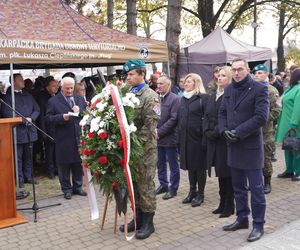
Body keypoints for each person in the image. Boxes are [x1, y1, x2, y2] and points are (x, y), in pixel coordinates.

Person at [219, 58, 269, 242]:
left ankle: (258, 224)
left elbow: (261, 117)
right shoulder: (230, 89)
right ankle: (242, 218)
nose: (237, 73)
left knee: (256, 189)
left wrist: (238, 133)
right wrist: (224, 130)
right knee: (238, 187)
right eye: (234, 70)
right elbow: (222, 112)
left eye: (240, 69)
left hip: (250, 147)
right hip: (233, 145)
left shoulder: (259, 88)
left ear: (247, 69)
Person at [119, 59, 160, 239]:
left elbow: (149, 126)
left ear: (142, 74)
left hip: (144, 150)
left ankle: (148, 223)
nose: (128, 77)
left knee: (145, 185)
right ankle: (138, 218)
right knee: (133, 185)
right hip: (130, 150)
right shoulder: (128, 93)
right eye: (127, 74)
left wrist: (131, 143)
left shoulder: (150, 96)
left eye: (131, 74)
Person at [46, 76, 87, 199]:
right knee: (64, 165)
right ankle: (66, 189)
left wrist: (80, 111)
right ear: (61, 87)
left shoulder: (79, 99)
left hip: (78, 136)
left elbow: (87, 114)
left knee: (78, 164)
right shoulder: (53, 101)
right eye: (67, 88)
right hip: (63, 138)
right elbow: (48, 119)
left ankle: (78, 187)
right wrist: (62, 117)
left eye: (71, 88)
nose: (69, 91)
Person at [203, 66, 234, 218]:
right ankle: (222, 203)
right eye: (217, 75)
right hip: (213, 140)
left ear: (229, 78)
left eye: (223, 75)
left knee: (227, 173)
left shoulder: (230, 95)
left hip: (224, 140)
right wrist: (207, 131)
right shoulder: (213, 95)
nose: (219, 77)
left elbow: (228, 118)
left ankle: (229, 205)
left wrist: (215, 132)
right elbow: (207, 116)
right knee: (220, 174)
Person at [1, 73, 40, 188]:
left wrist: (31, 118)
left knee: (29, 156)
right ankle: (20, 179)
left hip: (30, 131)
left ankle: (28, 176)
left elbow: (37, 109)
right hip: (17, 132)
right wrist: (24, 120)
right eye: (20, 79)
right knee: (17, 158)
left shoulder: (28, 95)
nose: (23, 81)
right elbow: (7, 114)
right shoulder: (7, 98)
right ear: (13, 82)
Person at [178, 73, 208, 207]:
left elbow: (208, 118)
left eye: (189, 82)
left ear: (196, 83)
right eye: (185, 82)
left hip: (198, 138)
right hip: (186, 138)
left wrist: (204, 135)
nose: (186, 84)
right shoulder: (183, 98)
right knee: (190, 166)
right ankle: (192, 191)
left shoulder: (203, 98)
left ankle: (200, 193)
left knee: (200, 167)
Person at [253, 64, 281, 194]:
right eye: (255, 73)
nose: (257, 75)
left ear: (266, 74)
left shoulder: (271, 90)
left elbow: (276, 110)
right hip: (252, 129)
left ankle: (267, 182)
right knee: (252, 158)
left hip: (266, 131)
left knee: (266, 157)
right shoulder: (251, 89)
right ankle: (255, 181)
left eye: (260, 73)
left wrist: (262, 119)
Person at [155, 75, 180, 200]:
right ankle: (163, 184)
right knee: (160, 163)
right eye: (158, 83)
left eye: (161, 84)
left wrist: (159, 132)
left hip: (169, 138)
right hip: (157, 138)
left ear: (168, 85)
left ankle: (173, 188)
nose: (158, 86)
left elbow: (173, 119)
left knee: (173, 164)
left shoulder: (175, 99)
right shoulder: (156, 98)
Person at [275, 68, 300, 181]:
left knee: (296, 149)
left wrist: (294, 124)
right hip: (286, 123)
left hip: (294, 124)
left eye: (291, 74)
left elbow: (298, 108)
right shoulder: (291, 88)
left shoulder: (298, 89)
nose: (288, 76)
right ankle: (289, 170)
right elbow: (281, 101)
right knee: (288, 147)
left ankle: (298, 171)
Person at [36, 76, 59, 179]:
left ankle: (57, 169)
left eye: (56, 86)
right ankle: (50, 170)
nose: (56, 88)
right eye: (53, 86)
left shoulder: (58, 96)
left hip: (58, 127)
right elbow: (41, 116)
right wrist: (43, 132)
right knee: (50, 150)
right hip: (48, 128)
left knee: (58, 149)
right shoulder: (42, 98)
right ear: (47, 87)